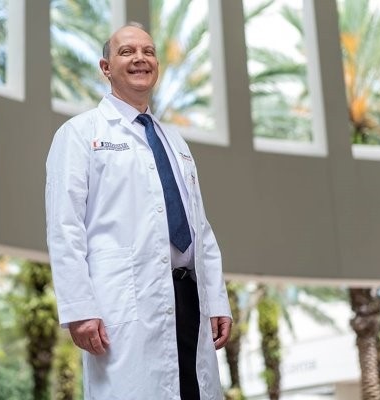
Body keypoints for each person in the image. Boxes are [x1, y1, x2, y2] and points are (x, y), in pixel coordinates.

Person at [45, 22, 232, 400]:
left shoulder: (174, 141)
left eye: (148, 52)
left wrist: (217, 300)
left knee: (193, 390)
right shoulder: (80, 133)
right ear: (106, 67)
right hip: (122, 302)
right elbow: (65, 226)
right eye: (127, 52)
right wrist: (79, 308)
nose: (140, 59)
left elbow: (201, 229)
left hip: (189, 298)